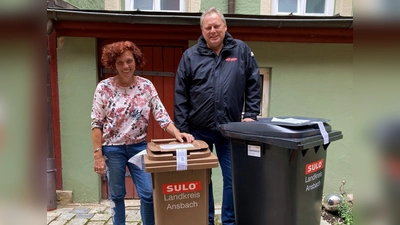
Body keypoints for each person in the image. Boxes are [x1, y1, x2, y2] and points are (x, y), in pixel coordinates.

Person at [174, 7, 261, 225]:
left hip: (230, 130)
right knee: (203, 180)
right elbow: (181, 93)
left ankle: (229, 221)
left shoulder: (241, 50)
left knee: (232, 179)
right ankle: (206, 220)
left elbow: (253, 82)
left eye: (216, 26)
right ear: (202, 31)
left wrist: (250, 114)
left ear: (225, 27)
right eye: (208, 27)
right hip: (198, 131)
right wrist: (183, 128)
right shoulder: (190, 56)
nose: (213, 31)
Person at [91, 41, 194, 225]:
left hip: (138, 148)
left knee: (147, 193)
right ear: (113, 63)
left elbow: (161, 114)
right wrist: (97, 154)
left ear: (135, 61)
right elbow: (96, 123)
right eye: (120, 62)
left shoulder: (146, 86)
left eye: (129, 61)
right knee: (117, 195)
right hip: (112, 150)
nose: (125, 66)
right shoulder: (103, 88)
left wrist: (177, 134)